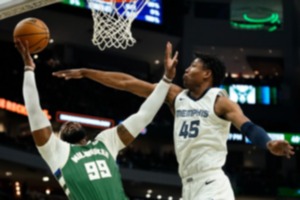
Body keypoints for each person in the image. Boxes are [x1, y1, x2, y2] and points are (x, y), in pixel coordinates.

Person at [53, 42, 295, 199]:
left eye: (193, 67)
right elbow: (128, 84)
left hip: (212, 184)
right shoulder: (175, 96)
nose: (186, 70)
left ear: (207, 74)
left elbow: (247, 126)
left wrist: (268, 143)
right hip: (188, 187)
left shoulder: (219, 101)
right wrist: (87, 73)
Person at [16, 39, 178, 200]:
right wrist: (29, 69)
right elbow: (34, 110)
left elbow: (143, 116)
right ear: (61, 138)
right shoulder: (55, 151)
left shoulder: (106, 141)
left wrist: (166, 81)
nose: (69, 124)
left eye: (71, 123)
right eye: (65, 127)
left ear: (86, 134)